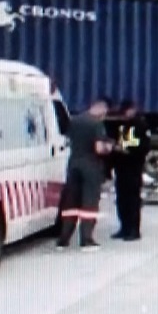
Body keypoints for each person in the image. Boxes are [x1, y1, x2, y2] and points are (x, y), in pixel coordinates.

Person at [56, 99, 114, 252]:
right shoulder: (96, 124)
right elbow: (99, 148)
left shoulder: (75, 120)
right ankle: (86, 240)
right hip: (90, 166)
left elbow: (68, 140)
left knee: (71, 203)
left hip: (73, 164)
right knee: (89, 202)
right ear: (102, 109)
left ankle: (63, 240)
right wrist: (109, 147)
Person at [111, 99, 151, 241]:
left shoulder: (141, 125)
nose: (125, 114)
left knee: (133, 199)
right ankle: (124, 227)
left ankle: (134, 230)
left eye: (127, 111)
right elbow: (117, 141)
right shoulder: (121, 125)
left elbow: (145, 146)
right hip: (121, 166)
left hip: (133, 167)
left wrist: (131, 152)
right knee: (122, 199)